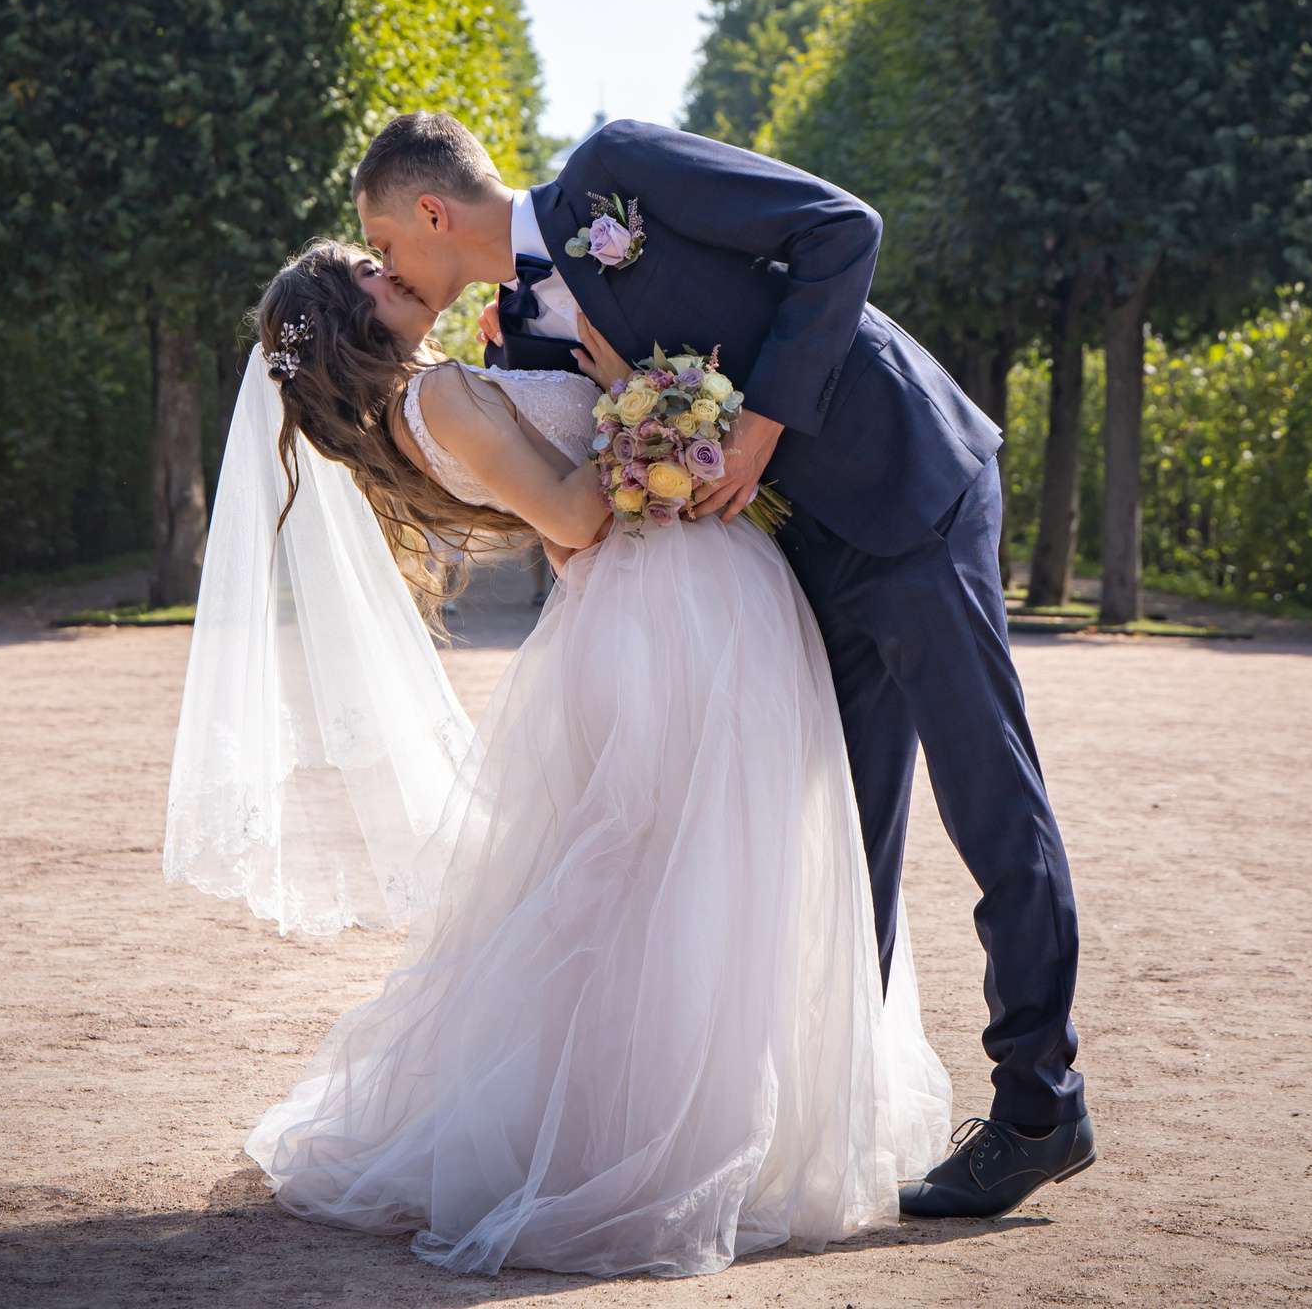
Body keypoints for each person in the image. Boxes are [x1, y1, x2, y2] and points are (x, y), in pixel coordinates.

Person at [353, 116, 1089, 1210]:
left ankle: (1040, 1104)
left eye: (381, 242)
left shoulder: (616, 173)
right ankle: (837, 1117)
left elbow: (845, 229)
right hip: (798, 560)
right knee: (838, 834)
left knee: (987, 794)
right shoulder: (514, 334)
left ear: (430, 213)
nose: (387, 269)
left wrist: (755, 433)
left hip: (906, 485)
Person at [205, 238, 950, 1276]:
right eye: (369, 270)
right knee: (685, 864)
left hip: (648, 610)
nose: (392, 267)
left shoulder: (417, 409)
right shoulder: (443, 399)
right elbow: (571, 516)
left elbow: (552, 531)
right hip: (670, 614)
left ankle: (672, 1118)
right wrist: (632, 404)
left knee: (657, 872)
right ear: (351, 316)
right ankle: (662, 1138)